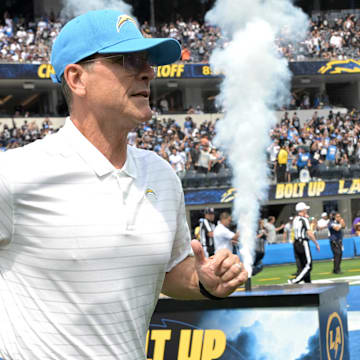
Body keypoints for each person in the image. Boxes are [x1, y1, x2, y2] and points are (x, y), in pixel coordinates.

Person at [0, 10, 247, 360]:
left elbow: (170, 274)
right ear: (76, 78)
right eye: (128, 60)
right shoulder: (15, 174)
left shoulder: (160, 174)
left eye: (147, 61)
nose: (148, 71)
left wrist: (203, 282)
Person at [288, 202, 320, 284]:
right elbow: (309, 232)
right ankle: (295, 280)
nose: (307, 210)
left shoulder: (295, 219)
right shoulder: (304, 219)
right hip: (303, 242)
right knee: (308, 265)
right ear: (302, 210)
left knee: (302, 265)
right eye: (305, 209)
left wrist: (307, 218)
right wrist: (316, 243)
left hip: (296, 243)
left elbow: (301, 221)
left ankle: (308, 283)